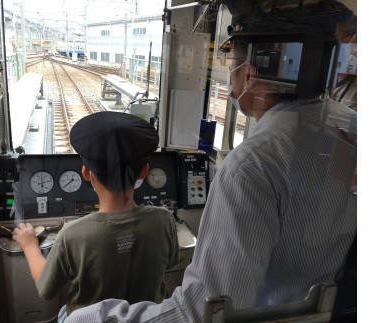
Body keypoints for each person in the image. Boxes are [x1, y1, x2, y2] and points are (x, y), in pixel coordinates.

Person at [66, 35, 357, 322]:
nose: (230, 85)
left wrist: (89, 318)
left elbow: (202, 313)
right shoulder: (352, 129)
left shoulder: (250, 165)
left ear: (249, 75)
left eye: (232, 67)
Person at [12, 111, 180, 321]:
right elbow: (171, 262)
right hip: (146, 318)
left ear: (86, 173)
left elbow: (46, 290)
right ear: (144, 172)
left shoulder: (72, 234)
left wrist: (30, 246)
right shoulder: (163, 220)